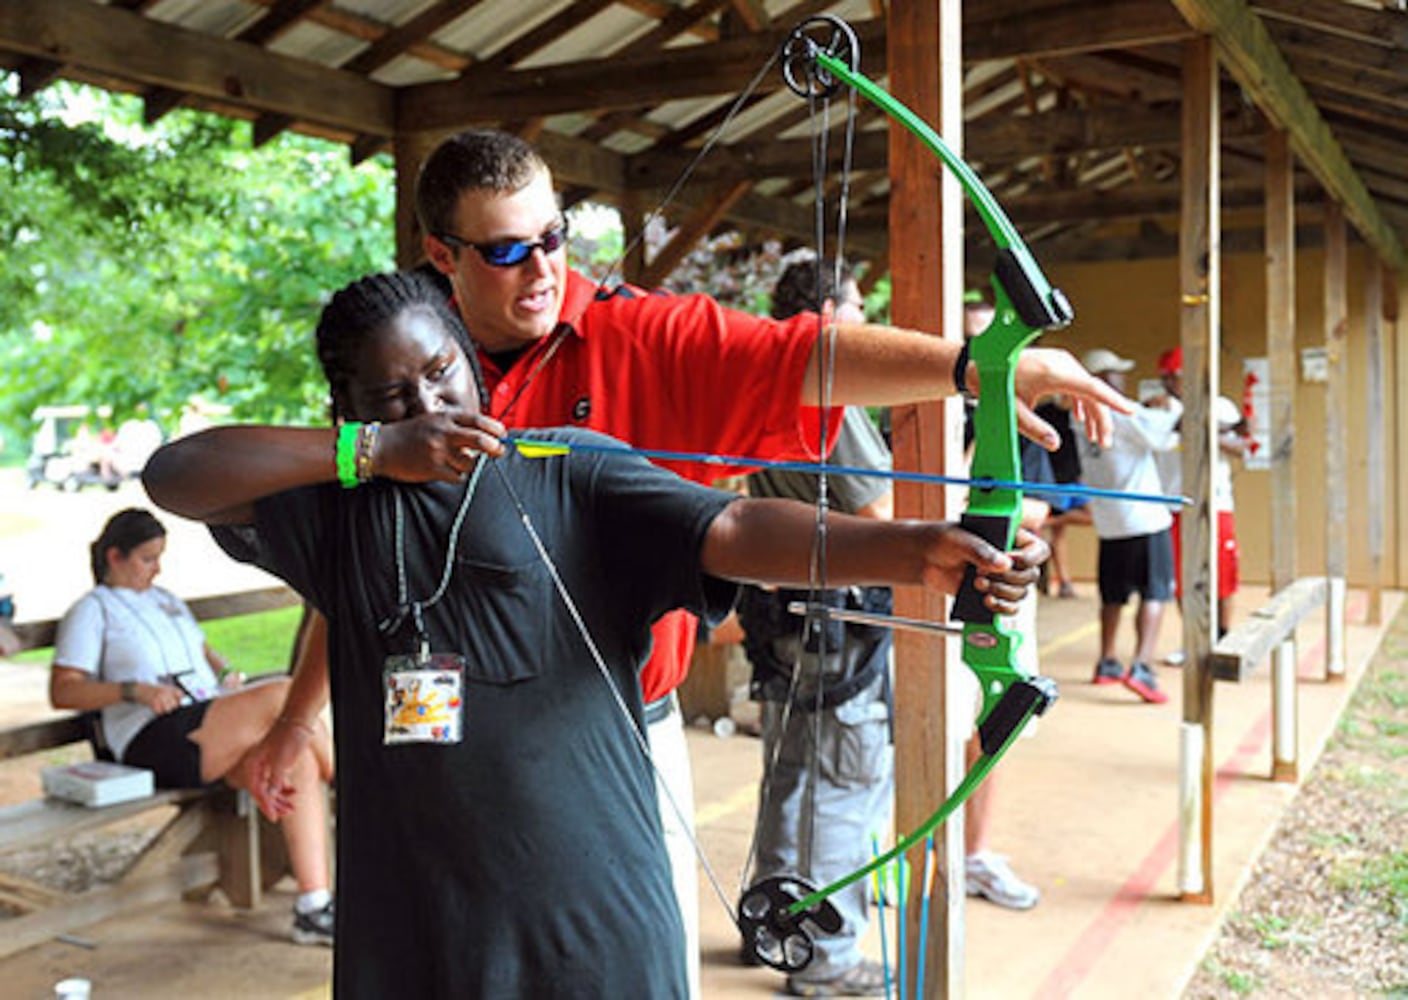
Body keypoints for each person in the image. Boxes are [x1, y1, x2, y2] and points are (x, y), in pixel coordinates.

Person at [260, 128, 1130, 994]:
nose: (542, 269)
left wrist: (974, 368)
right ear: (439, 255)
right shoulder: (403, 359)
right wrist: (300, 715)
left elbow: (788, 390)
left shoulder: (639, 333)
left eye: (554, 236)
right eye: (505, 250)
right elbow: (356, 560)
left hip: (610, 735)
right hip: (429, 765)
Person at [140, 269, 1050, 998]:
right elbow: (175, 475)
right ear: (346, 412)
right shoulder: (338, 513)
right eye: (389, 395)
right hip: (415, 926)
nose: (425, 404)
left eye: (439, 373)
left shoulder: (567, 472)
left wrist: (916, 550)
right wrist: (370, 456)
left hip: (591, 921)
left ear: (467, 357)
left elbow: (728, 531)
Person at [48, 508, 335, 944]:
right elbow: (64, 691)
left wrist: (225, 675)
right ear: (115, 556)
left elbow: (203, 652)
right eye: (147, 558)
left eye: (160, 557)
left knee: (293, 763)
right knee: (284, 695)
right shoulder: (92, 611)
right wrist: (133, 691)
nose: (157, 567)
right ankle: (360, 785)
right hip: (152, 737)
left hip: (207, 718)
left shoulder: (165, 601)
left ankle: (313, 908)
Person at [737, 260, 894, 996]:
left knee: (789, 782)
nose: (866, 319)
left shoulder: (764, 381)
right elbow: (878, 518)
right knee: (839, 788)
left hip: (785, 619)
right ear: (831, 310)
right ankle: (826, 960)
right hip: (837, 623)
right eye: (860, 307)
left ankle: (771, 929)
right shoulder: (833, 388)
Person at [958, 297, 1045, 911]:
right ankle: (911, 859)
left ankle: (974, 856)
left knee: (993, 725)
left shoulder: (1020, 423)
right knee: (921, 731)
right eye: (968, 346)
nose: (979, 361)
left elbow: (1035, 512)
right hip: (933, 594)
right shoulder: (916, 417)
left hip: (1002, 593)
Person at [1074, 348, 1180, 704]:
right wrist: (1170, 407)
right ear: (1103, 379)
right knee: (1156, 592)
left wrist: (1148, 409)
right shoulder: (1119, 411)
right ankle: (1142, 667)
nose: (1123, 379)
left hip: (1109, 521)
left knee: (1113, 595)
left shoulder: (1079, 413)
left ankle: (1107, 661)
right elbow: (1163, 436)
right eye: (1117, 374)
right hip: (1145, 518)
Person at [1149, 346, 1247, 652]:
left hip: (1215, 503)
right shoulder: (1159, 408)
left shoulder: (1219, 406)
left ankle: (1223, 636)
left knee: (1222, 574)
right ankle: (1196, 640)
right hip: (1173, 504)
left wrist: (1203, 432)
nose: (1169, 383)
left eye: (1175, 377)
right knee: (1180, 578)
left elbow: (1243, 446)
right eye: (1165, 377)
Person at [1033, 395, 1092, 598]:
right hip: (1052, 479)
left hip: (1075, 478)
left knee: (1090, 517)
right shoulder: (1043, 412)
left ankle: (1047, 522)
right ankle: (1064, 582)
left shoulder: (1078, 413)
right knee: (1059, 534)